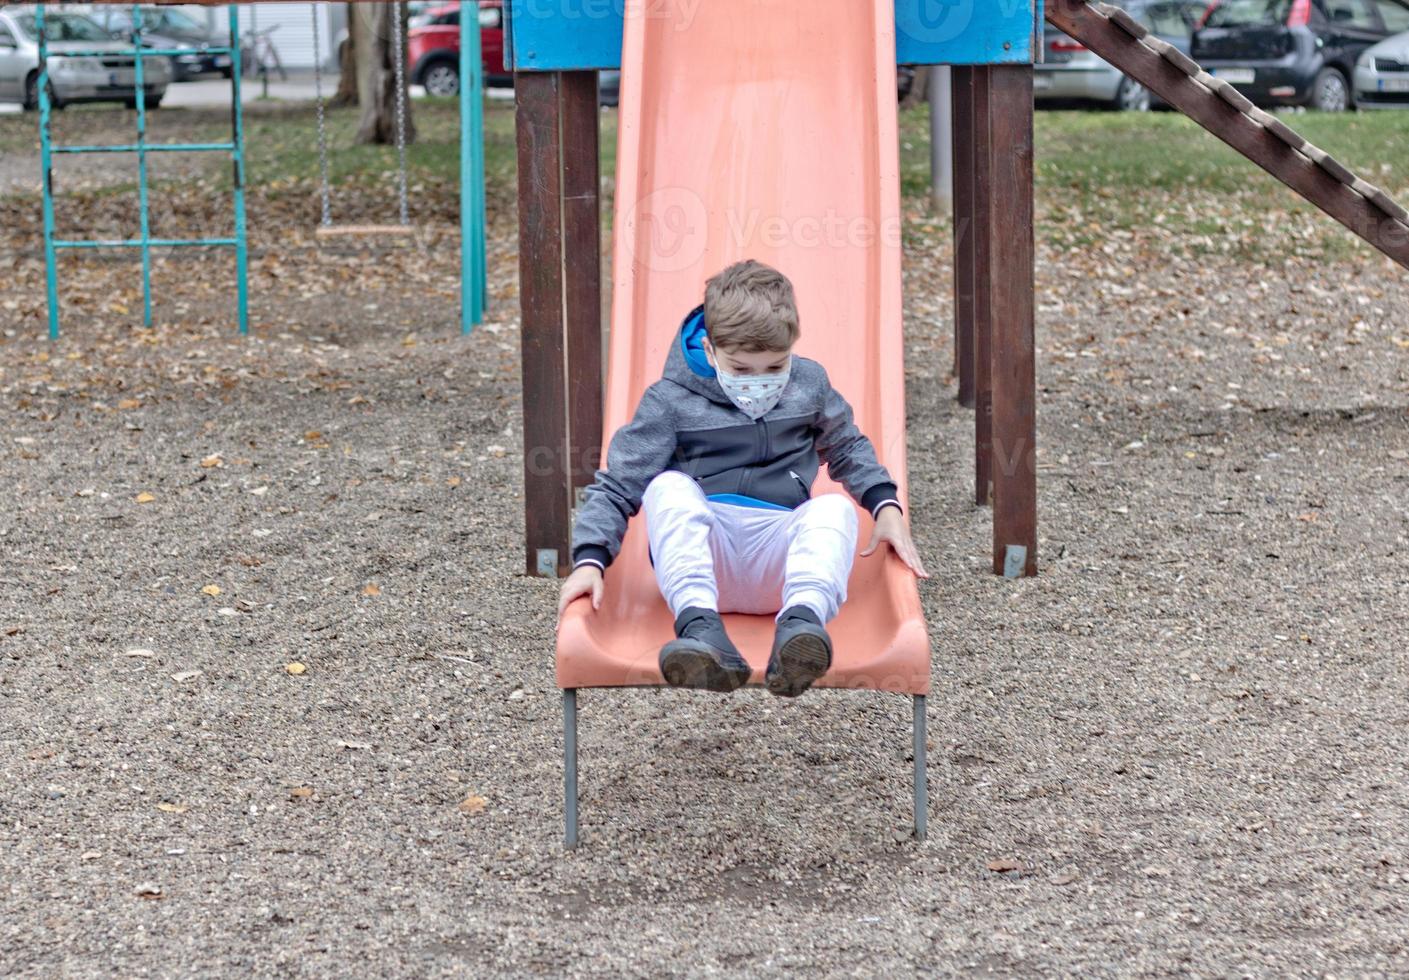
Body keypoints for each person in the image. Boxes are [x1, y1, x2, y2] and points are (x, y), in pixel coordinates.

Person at [556, 259, 927, 696]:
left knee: (834, 508)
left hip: (780, 562)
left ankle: (800, 630)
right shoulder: (669, 401)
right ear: (710, 350)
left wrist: (885, 505)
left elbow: (846, 447)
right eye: (741, 369)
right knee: (666, 487)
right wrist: (589, 560)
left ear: (792, 347)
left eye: (774, 368)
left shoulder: (809, 384)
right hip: (702, 559)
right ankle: (701, 633)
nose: (760, 382)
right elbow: (619, 483)